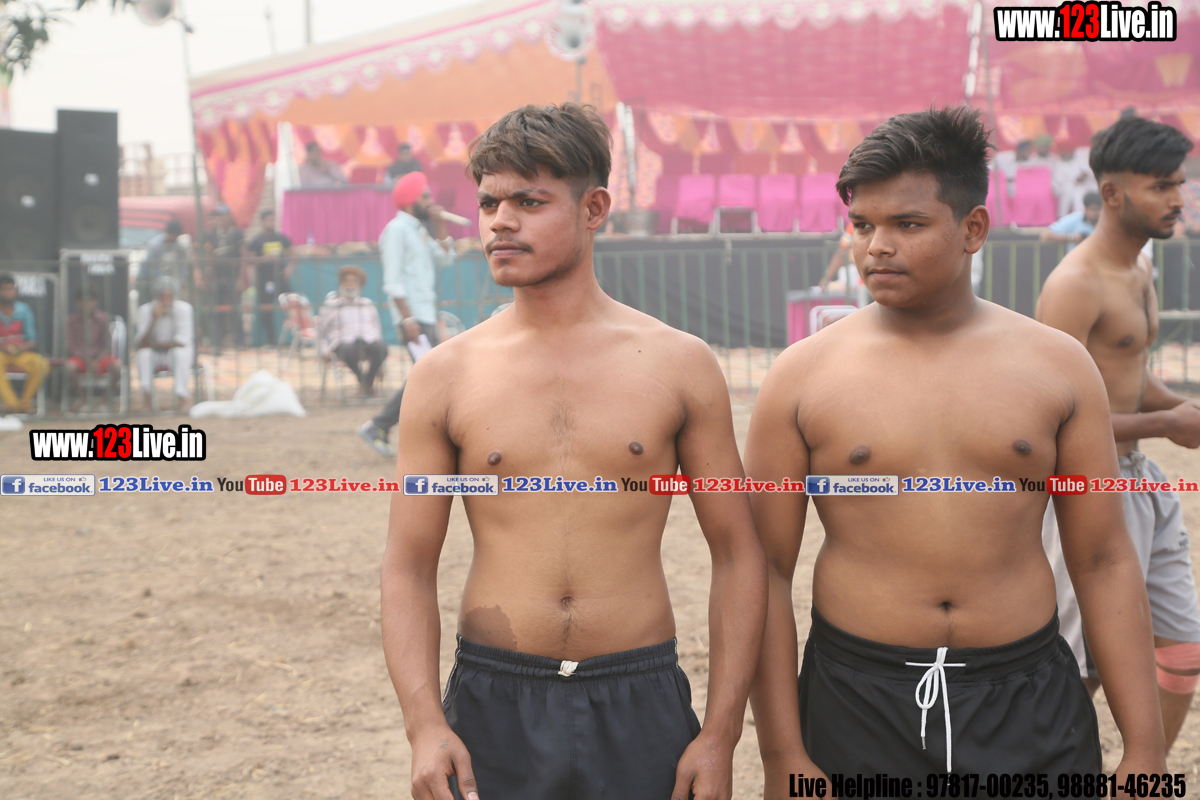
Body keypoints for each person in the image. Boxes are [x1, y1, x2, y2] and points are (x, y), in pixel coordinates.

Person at [746, 107, 1165, 789]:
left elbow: (1103, 559)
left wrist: (1145, 749)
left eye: (907, 225)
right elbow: (763, 568)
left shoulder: (1058, 367)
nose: (877, 246)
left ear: (973, 229)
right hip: (858, 697)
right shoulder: (800, 377)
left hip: (1026, 695)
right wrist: (781, 755)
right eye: (862, 225)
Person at [380, 103, 767, 800]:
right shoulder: (445, 375)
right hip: (495, 698)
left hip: (639, 694)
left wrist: (720, 734)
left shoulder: (679, 364)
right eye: (490, 203)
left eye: (529, 202)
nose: (500, 222)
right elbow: (408, 565)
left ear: (594, 209)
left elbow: (739, 554)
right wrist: (424, 725)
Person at [1036, 114, 1200, 753]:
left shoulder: (1138, 270)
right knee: (1079, 668)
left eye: (1180, 183)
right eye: (1161, 186)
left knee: (1183, 650)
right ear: (1111, 193)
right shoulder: (1075, 285)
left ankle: (1143, 780)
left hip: (1141, 481)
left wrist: (1180, 406)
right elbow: (1050, 414)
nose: (1178, 198)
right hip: (1089, 488)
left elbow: (1128, 377)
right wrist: (1167, 423)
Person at [357, 171, 453, 457]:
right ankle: (380, 425)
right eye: (425, 196)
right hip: (412, 317)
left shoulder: (419, 230)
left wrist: (440, 224)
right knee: (429, 376)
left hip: (425, 313)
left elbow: (446, 258)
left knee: (429, 376)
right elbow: (393, 281)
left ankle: (384, 427)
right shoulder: (397, 230)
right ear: (411, 200)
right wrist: (407, 319)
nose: (431, 201)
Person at [319, 265, 386, 397]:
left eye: (354, 281)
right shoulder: (331, 305)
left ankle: (367, 382)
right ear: (340, 283)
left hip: (367, 341)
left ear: (360, 285)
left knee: (382, 347)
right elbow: (321, 332)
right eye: (346, 281)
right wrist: (324, 351)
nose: (350, 285)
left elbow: (376, 328)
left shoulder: (367, 304)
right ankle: (364, 382)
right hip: (343, 343)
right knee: (348, 349)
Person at [135, 276, 194, 413]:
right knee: (143, 355)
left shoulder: (184, 309)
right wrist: (154, 319)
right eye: (162, 296)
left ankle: (183, 398)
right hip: (155, 354)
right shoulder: (145, 310)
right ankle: (147, 399)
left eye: (169, 296)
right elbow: (142, 344)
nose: (166, 300)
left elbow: (181, 343)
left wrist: (155, 344)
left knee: (179, 354)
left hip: (175, 353)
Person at [0, 273, 48, 414]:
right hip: (1, 354)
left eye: (11, 289)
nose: (9, 293)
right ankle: (11, 403)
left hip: (19, 353)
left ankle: (24, 403)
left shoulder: (24, 309)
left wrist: (22, 347)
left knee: (42, 364)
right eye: (5, 289)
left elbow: (32, 339)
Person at [245, 210, 293, 347]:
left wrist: (289, 269)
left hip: (281, 278)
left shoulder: (282, 238)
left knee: (290, 306)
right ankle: (270, 341)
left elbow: (293, 254)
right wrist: (265, 259)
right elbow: (251, 260)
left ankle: (295, 339)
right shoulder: (256, 241)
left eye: (273, 220)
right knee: (266, 310)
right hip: (265, 280)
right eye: (268, 220)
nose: (271, 223)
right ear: (262, 222)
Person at [201, 204, 245, 348]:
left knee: (235, 310)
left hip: (233, 277)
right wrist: (210, 278)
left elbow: (243, 257)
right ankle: (217, 342)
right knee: (217, 310)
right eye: (219, 217)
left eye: (224, 216)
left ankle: (239, 342)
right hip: (218, 278)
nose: (222, 219)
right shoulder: (212, 235)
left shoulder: (237, 234)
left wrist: (241, 278)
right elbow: (209, 258)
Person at [65, 289, 119, 407]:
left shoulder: (103, 319)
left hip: (100, 359)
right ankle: (83, 398)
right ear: (78, 303)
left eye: (90, 300)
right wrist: (87, 361)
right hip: (80, 359)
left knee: (117, 365)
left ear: (95, 302)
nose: (87, 304)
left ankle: (105, 399)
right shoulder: (71, 320)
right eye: (83, 301)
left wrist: (97, 361)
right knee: (69, 367)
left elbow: (107, 345)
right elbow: (71, 346)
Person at [139, 219, 189, 301]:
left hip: (171, 282)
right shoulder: (155, 245)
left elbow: (182, 267)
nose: (174, 239)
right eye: (173, 236)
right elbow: (151, 269)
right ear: (168, 234)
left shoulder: (179, 246)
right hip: (149, 280)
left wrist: (179, 281)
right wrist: (162, 284)